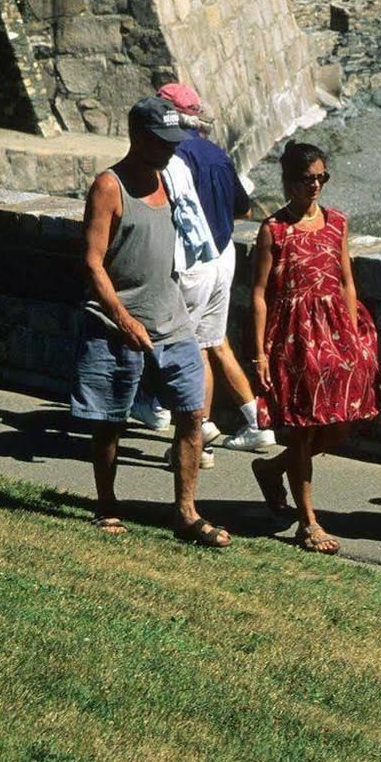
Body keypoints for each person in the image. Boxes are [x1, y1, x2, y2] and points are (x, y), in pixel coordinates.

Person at [77, 97, 229, 546]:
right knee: (109, 420)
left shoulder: (167, 178)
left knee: (191, 415)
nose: (169, 150)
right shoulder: (109, 187)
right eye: (161, 142)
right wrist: (123, 319)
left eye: (172, 142)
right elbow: (92, 263)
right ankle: (107, 506)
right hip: (115, 325)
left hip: (172, 322)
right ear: (137, 136)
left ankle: (186, 513)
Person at [248, 142, 379, 554]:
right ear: (289, 180)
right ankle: (308, 523)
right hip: (293, 335)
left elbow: (345, 280)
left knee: (344, 420)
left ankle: (272, 470)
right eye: (308, 179)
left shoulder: (337, 222)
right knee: (303, 429)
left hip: (336, 329)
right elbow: (258, 294)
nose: (317, 185)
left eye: (323, 177)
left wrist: (355, 329)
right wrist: (260, 353)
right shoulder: (274, 230)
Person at [156, 81, 275, 452]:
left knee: (188, 350)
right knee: (212, 343)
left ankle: (194, 438)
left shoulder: (174, 156)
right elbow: (244, 208)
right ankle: (252, 423)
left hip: (193, 259)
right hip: (224, 256)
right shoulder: (217, 154)